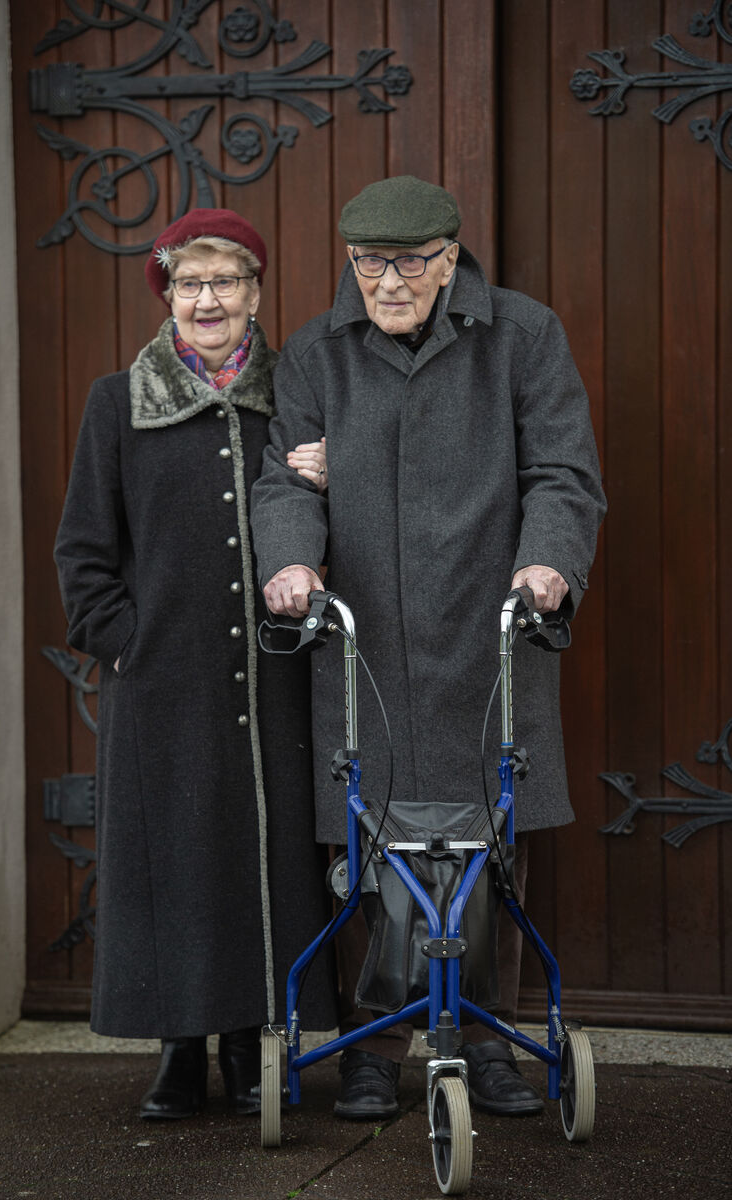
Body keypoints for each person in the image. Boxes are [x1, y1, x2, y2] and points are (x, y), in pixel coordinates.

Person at [250, 176, 606, 1120]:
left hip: (487, 635)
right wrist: (288, 563)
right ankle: (377, 1049)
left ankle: (489, 1043)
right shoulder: (316, 354)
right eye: (369, 263)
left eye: (410, 262)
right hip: (361, 643)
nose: (388, 282)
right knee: (366, 848)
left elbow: (563, 474)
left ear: (450, 258)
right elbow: (282, 483)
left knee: (490, 845)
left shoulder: (523, 336)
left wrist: (547, 567)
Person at [54, 207, 336, 1120]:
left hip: (280, 677)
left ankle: (255, 1047)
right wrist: (126, 640)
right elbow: (84, 551)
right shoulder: (114, 403)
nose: (206, 299)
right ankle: (178, 1052)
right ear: (167, 296)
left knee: (270, 857)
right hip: (161, 682)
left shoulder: (299, 393)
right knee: (173, 861)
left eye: (225, 281)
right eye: (189, 283)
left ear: (256, 293)